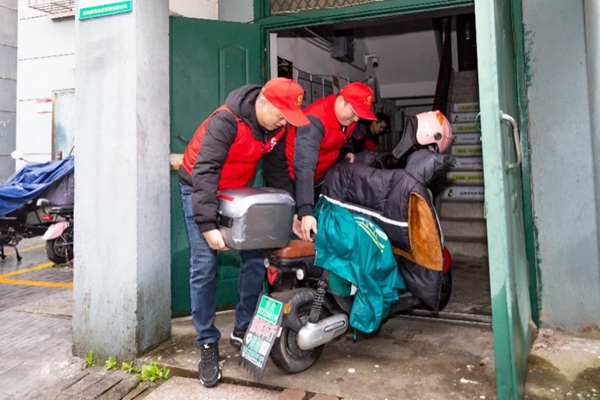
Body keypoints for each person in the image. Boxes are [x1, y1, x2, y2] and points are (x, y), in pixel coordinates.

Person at [178, 77, 309, 388]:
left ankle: (243, 327)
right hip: (200, 188)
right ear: (262, 102)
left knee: (255, 258)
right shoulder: (226, 120)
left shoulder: (278, 126)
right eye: (280, 114)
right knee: (205, 264)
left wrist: (288, 212)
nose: (283, 122)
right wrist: (208, 225)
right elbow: (206, 171)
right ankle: (207, 343)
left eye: (287, 118)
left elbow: (277, 170)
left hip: (239, 191)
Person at [284, 82, 376, 242]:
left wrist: (347, 150)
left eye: (360, 116)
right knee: (294, 233)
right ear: (340, 101)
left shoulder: (350, 118)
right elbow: (304, 165)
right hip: (296, 181)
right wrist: (305, 209)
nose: (356, 119)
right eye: (354, 113)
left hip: (321, 177)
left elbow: (344, 134)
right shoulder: (314, 120)